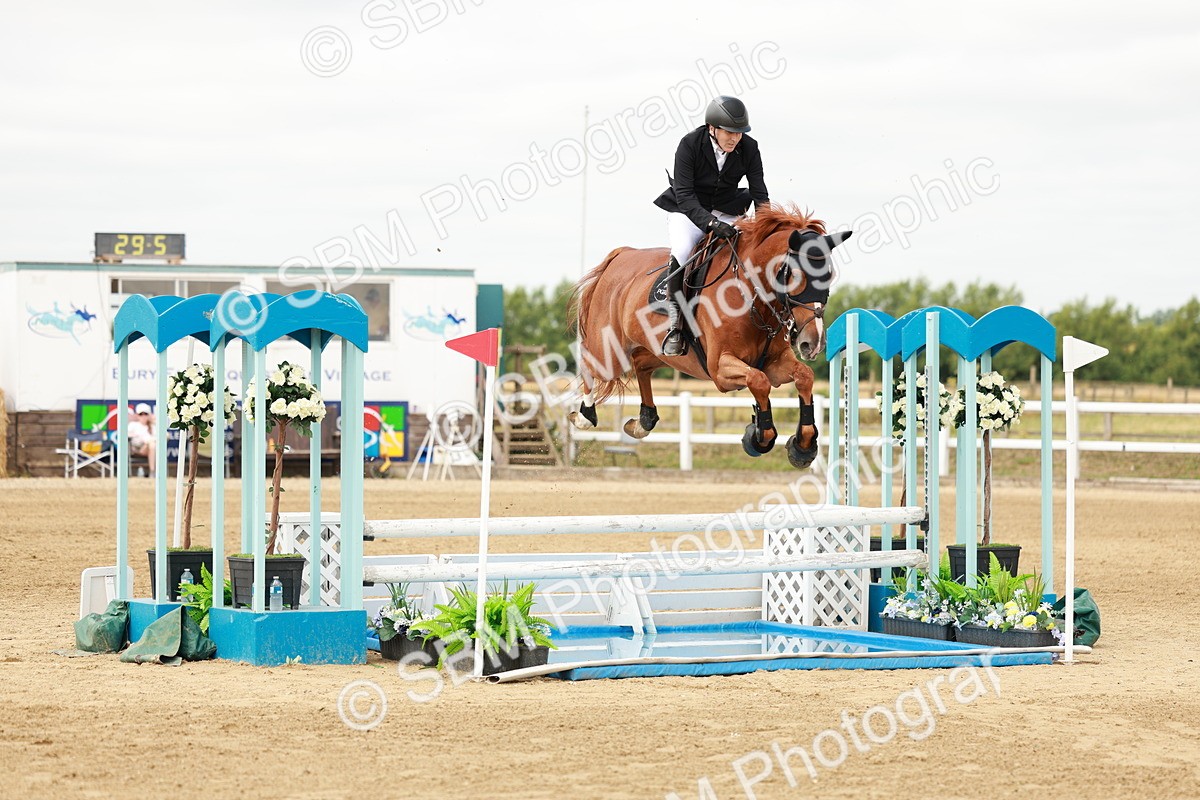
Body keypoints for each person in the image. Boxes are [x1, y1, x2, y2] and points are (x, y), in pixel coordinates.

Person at [653, 95, 770, 356]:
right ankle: (676, 325)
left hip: (728, 209)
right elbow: (684, 194)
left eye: (739, 133)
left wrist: (767, 228)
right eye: (729, 132)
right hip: (688, 209)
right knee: (683, 250)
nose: (735, 138)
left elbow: (759, 193)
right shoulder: (689, 145)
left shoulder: (750, 148)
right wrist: (710, 223)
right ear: (712, 128)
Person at [128, 402, 156, 475]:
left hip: (150, 448)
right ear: (137, 415)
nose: (143, 416)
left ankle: (152, 471)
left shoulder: (153, 427)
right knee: (152, 444)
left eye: (145, 414)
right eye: (141, 414)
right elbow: (126, 435)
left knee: (152, 445)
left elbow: (164, 436)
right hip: (136, 449)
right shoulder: (133, 425)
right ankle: (152, 472)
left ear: (148, 415)